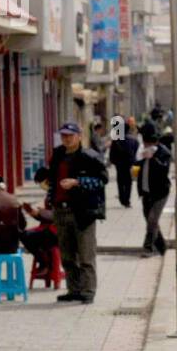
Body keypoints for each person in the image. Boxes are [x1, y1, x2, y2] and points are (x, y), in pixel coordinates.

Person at [46, 122, 108, 303]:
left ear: (79, 136)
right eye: (64, 135)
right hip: (60, 210)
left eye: (70, 135)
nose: (67, 139)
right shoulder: (58, 154)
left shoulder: (89, 156)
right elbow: (52, 178)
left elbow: (102, 180)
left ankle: (88, 291)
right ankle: (73, 289)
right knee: (67, 254)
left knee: (86, 254)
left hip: (82, 212)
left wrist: (78, 182)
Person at [136, 121, 171, 257]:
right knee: (151, 221)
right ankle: (162, 247)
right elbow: (137, 163)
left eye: (149, 142)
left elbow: (164, 170)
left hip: (160, 192)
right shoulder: (141, 151)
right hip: (146, 192)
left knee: (152, 219)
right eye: (145, 142)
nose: (147, 145)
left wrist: (153, 159)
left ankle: (148, 247)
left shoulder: (163, 152)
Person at [20, 167, 59, 271]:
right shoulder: (51, 192)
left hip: (57, 231)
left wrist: (41, 212)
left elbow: (55, 215)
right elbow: (45, 217)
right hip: (50, 228)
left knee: (26, 236)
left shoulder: (57, 192)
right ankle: (45, 262)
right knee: (26, 234)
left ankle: (44, 263)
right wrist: (31, 212)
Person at [108, 118, 141, 208]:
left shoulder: (116, 140)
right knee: (128, 182)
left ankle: (122, 199)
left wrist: (113, 161)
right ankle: (127, 200)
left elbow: (112, 153)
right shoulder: (133, 140)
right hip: (129, 164)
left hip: (119, 165)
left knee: (120, 181)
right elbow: (136, 150)